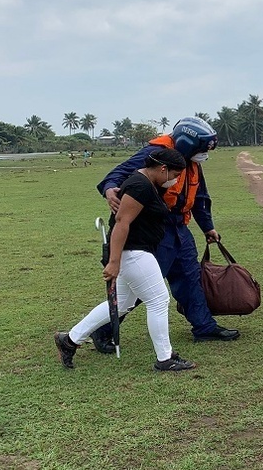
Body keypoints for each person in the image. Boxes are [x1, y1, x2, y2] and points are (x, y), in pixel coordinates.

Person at [90, 117, 240, 348]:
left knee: (191, 277)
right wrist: (110, 189)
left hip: (180, 228)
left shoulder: (190, 163)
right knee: (144, 286)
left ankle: (204, 327)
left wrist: (207, 227)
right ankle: (103, 330)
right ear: (188, 144)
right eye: (201, 150)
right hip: (157, 231)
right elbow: (119, 173)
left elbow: (199, 197)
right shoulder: (156, 154)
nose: (204, 155)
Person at [55, 149, 196, 372]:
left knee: (121, 304)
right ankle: (165, 358)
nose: (175, 180)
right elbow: (122, 222)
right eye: (175, 174)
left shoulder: (146, 183)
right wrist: (114, 261)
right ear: (162, 169)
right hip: (133, 252)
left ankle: (70, 339)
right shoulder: (140, 185)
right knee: (159, 301)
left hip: (135, 251)